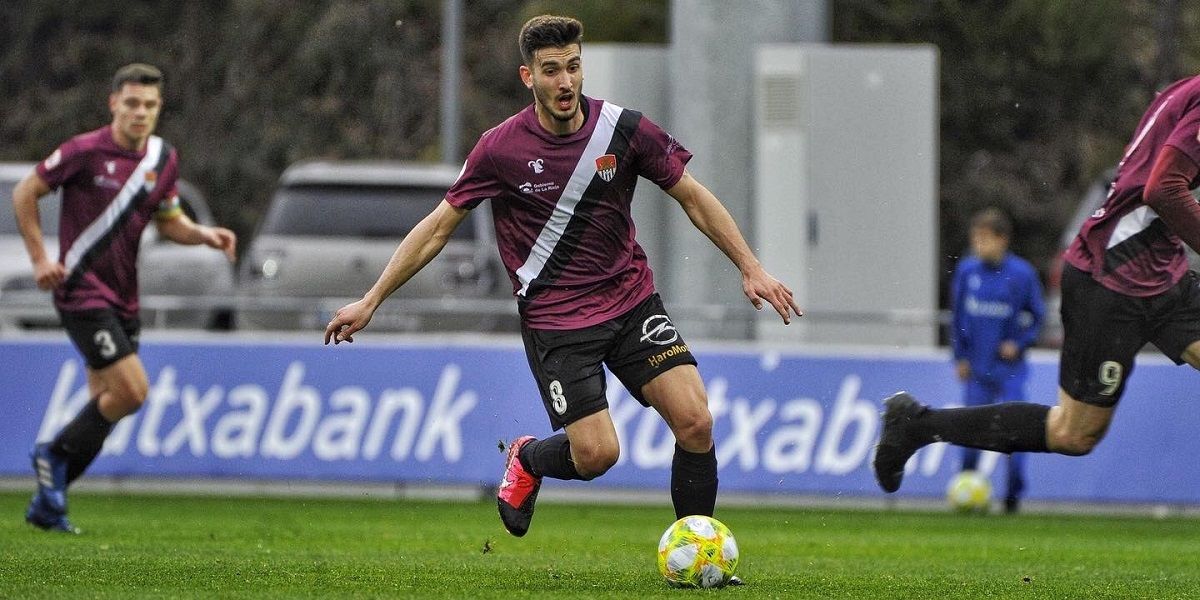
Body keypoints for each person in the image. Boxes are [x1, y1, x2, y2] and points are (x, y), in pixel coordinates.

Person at [325, 14, 800, 543]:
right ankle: (527, 457)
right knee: (598, 456)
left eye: (573, 67)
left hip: (631, 303)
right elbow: (437, 229)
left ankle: (698, 555)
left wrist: (750, 266)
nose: (566, 82)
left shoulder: (623, 129)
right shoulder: (499, 149)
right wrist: (371, 300)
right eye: (551, 70)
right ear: (528, 77)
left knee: (696, 422)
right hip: (557, 323)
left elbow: (692, 196)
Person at [874, 75, 1200, 496]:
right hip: (1111, 278)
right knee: (1073, 433)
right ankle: (917, 425)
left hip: (1163, 275)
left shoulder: (1186, 89)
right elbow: (1164, 188)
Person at [13, 63, 238, 533]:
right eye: (132, 103)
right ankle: (51, 455)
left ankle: (49, 504)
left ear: (159, 108)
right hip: (80, 291)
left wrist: (203, 234)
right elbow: (25, 192)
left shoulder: (163, 158)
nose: (141, 113)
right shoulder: (84, 151)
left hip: (123, 297)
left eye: (150, 105)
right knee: (133, 392)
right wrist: (39, 259)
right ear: (114, 103)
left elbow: (169, 220)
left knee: (104, 402)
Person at [948, 208, 1045, 513]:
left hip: (1010, 372)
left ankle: (1013, 496)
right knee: (970, 434)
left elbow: (1038, 318)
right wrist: (960, 357)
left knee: (1015, 432)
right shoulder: (967, 271)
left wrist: (1019, 343)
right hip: (977, 369)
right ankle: (966, 494)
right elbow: (957, 318)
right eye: (975, 239)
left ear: (1003, 240)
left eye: (985, 239)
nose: (979, 245)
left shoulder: (1022, 274)